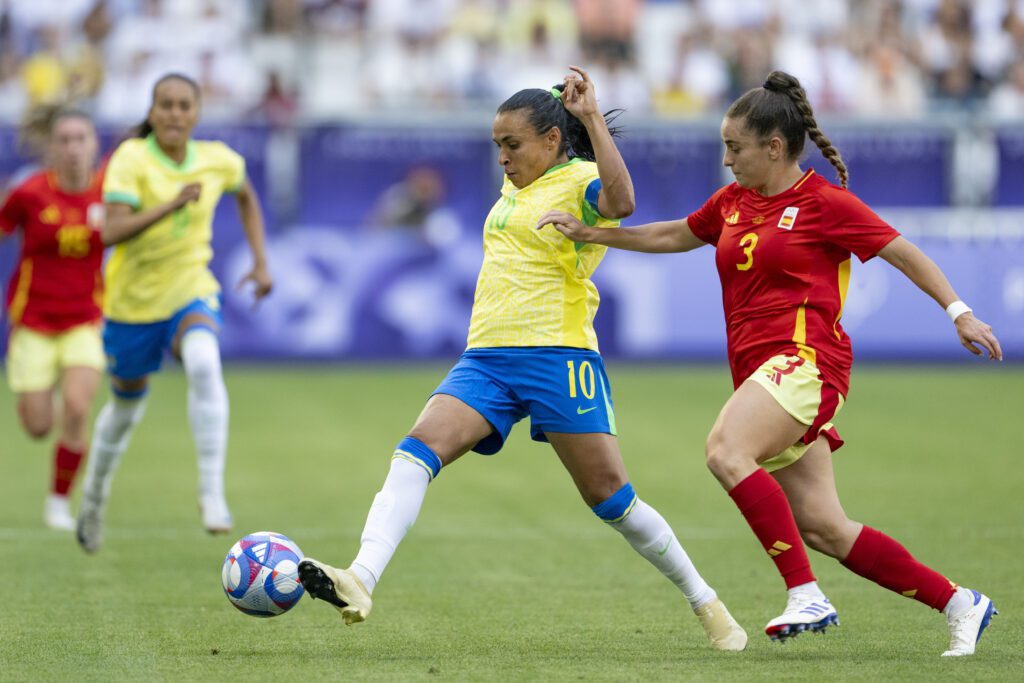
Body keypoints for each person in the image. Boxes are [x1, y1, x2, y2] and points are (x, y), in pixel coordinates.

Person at [537, 70, 1003, 658]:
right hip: (765, 377)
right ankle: (960, 602)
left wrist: (958, 311)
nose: (726, 160)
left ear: (774, 148)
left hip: (806, 365)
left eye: (735, 148)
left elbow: (903, 252)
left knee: (726, 451)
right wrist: (593, 231)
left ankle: (804, 591)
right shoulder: (733, 203)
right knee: (825, 528)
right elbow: (677, 234)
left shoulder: (824, 203)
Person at [297, 67, 748, 651]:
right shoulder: (514, 189)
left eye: (512, 145)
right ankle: (360, 578)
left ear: (552, 140)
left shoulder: (580, 179)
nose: (503, 158)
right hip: (486, 357)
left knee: (611, 499)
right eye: (497, 147)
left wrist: (590, 117)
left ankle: (705, 601)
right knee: (415, 452)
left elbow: (624, 201)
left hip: (558, 358)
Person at [75, 73, 273, 553]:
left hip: (191, 289)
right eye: (166, 105)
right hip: (132, 305)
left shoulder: (217, 159)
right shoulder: (130, 160)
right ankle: (94, 500)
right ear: (152, 111)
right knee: (124, 411)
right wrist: (171, 204)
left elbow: (246, 195)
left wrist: (261, 261)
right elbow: (112, 231)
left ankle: (211, 493)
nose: (175, 114)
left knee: (205, 361)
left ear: (197, 113)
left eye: (184, 105)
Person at [0, 107, 105, 530]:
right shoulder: (29, 193)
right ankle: (49, 400)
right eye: (64, 140)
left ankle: (59, 502)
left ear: (94, 144)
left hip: (84, 319)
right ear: (52, 147)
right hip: (34, 323)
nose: (73, 148)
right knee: (40, 426)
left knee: (79, 407)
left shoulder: (109, 195)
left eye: (81, 138)